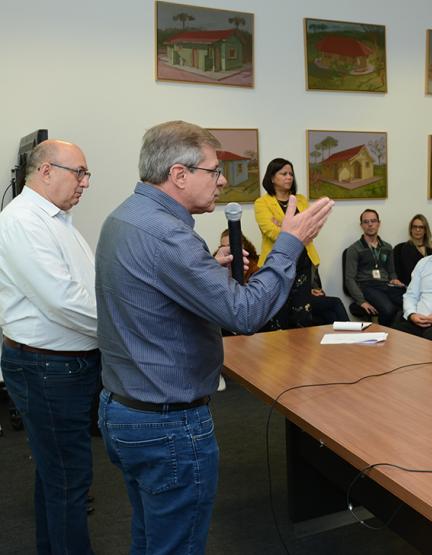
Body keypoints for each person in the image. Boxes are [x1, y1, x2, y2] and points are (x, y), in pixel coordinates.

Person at [95, 121, 333, 553]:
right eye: (214, 170)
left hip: (124, 408)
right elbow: (245, 313)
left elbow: (156, 294)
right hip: (167, 422)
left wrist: (208, 271)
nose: (222, 180)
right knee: (176, 545)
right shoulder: (168, 234)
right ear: (179, 174)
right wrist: (288, 244)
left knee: (151, 536)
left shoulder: (126, 216)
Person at [0, 140, 99, 554]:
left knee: (56, 474)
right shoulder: (22, 219)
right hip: (47, 368)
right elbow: (63, 301)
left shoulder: (58, 219)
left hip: (63, 364)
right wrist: (128, 325)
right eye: (79, 172)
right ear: (44, 171)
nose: (86, 183)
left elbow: (85, 289)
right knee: (67, 481)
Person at [254, 158, 346, 328]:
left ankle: (303, 352)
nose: (289, 177)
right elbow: (270, 231)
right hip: (279, 264)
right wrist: (294, 230)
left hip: (303, 264)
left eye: (291, 174)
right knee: (280, 315)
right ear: (272, 178)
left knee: (302, 314)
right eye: (283, 174)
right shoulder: (262, 203)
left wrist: (282, 225)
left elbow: (309, 227)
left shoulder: (301, 200)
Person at [344, 209, 405, 325]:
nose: (370, 224)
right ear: (361, 225)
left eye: (373, 221)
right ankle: (383, 338)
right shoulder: (354, 249)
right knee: (389, 310)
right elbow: (349, 279)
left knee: (407, 303)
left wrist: (394, 279)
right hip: (366, 286)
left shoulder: (387, 247)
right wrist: (361, 301)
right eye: (366, 222)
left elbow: (391, 272)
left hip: (385, 285)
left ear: (379, 223)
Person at [394, 214, 432, 287]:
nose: (417, 230)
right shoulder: (405, 248)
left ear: (425, 230)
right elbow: (411, 272)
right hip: (412, 286)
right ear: (411, 229)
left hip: (431, 286)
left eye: (421, 227)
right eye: (415, 227)